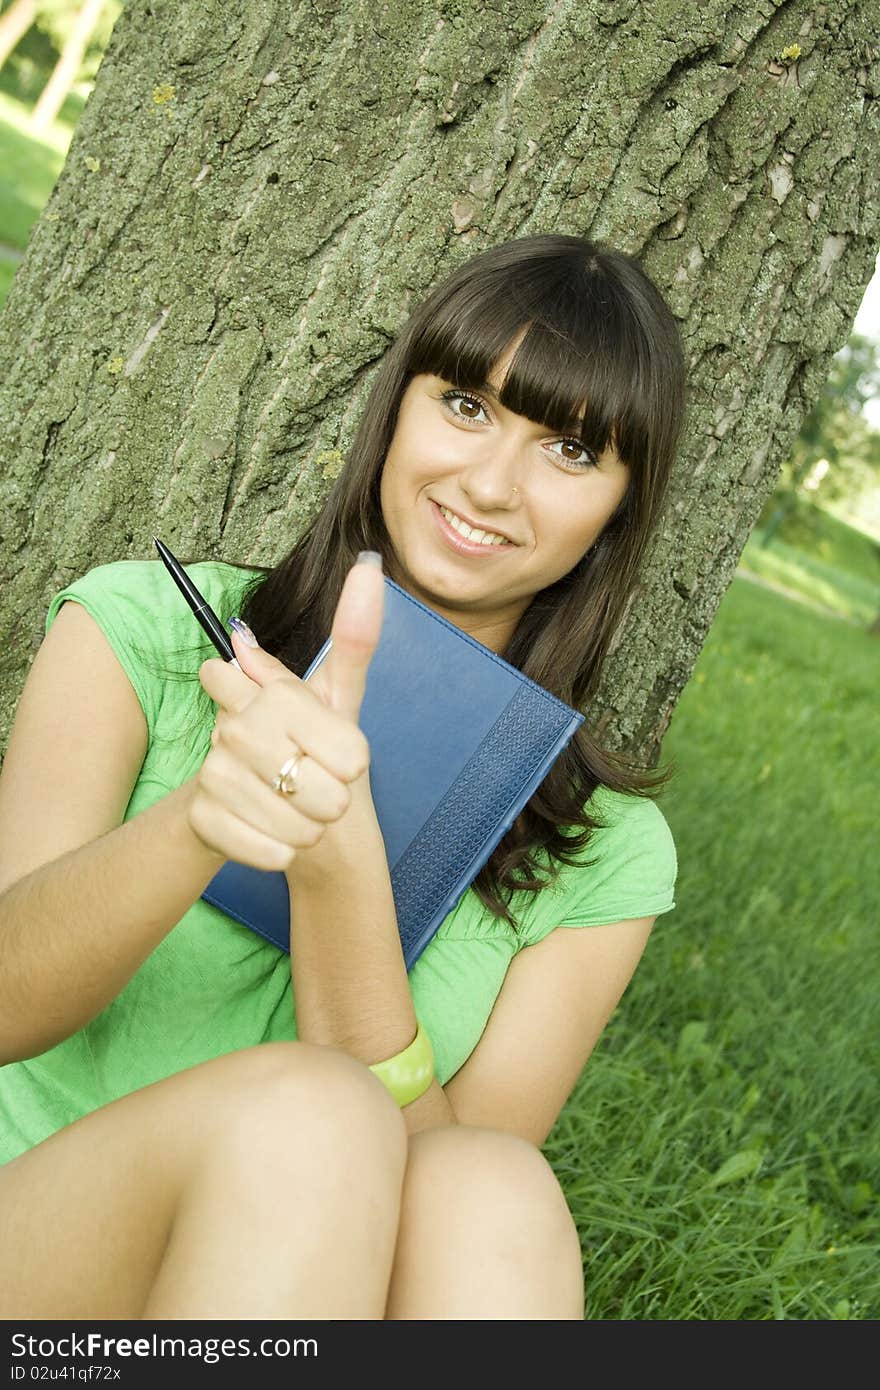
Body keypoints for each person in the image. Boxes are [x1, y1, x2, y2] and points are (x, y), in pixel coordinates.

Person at [0, 234, 686, 1320]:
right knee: (309, 1118)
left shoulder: (608, 854)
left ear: (617, 509)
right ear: (395, 411)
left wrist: (343, 887)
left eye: (567, 451)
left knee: (494, 1188)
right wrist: (201, 820)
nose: (489, 484)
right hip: (37, 1245)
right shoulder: (139, 629)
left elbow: (445, 1226)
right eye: (465, 407)